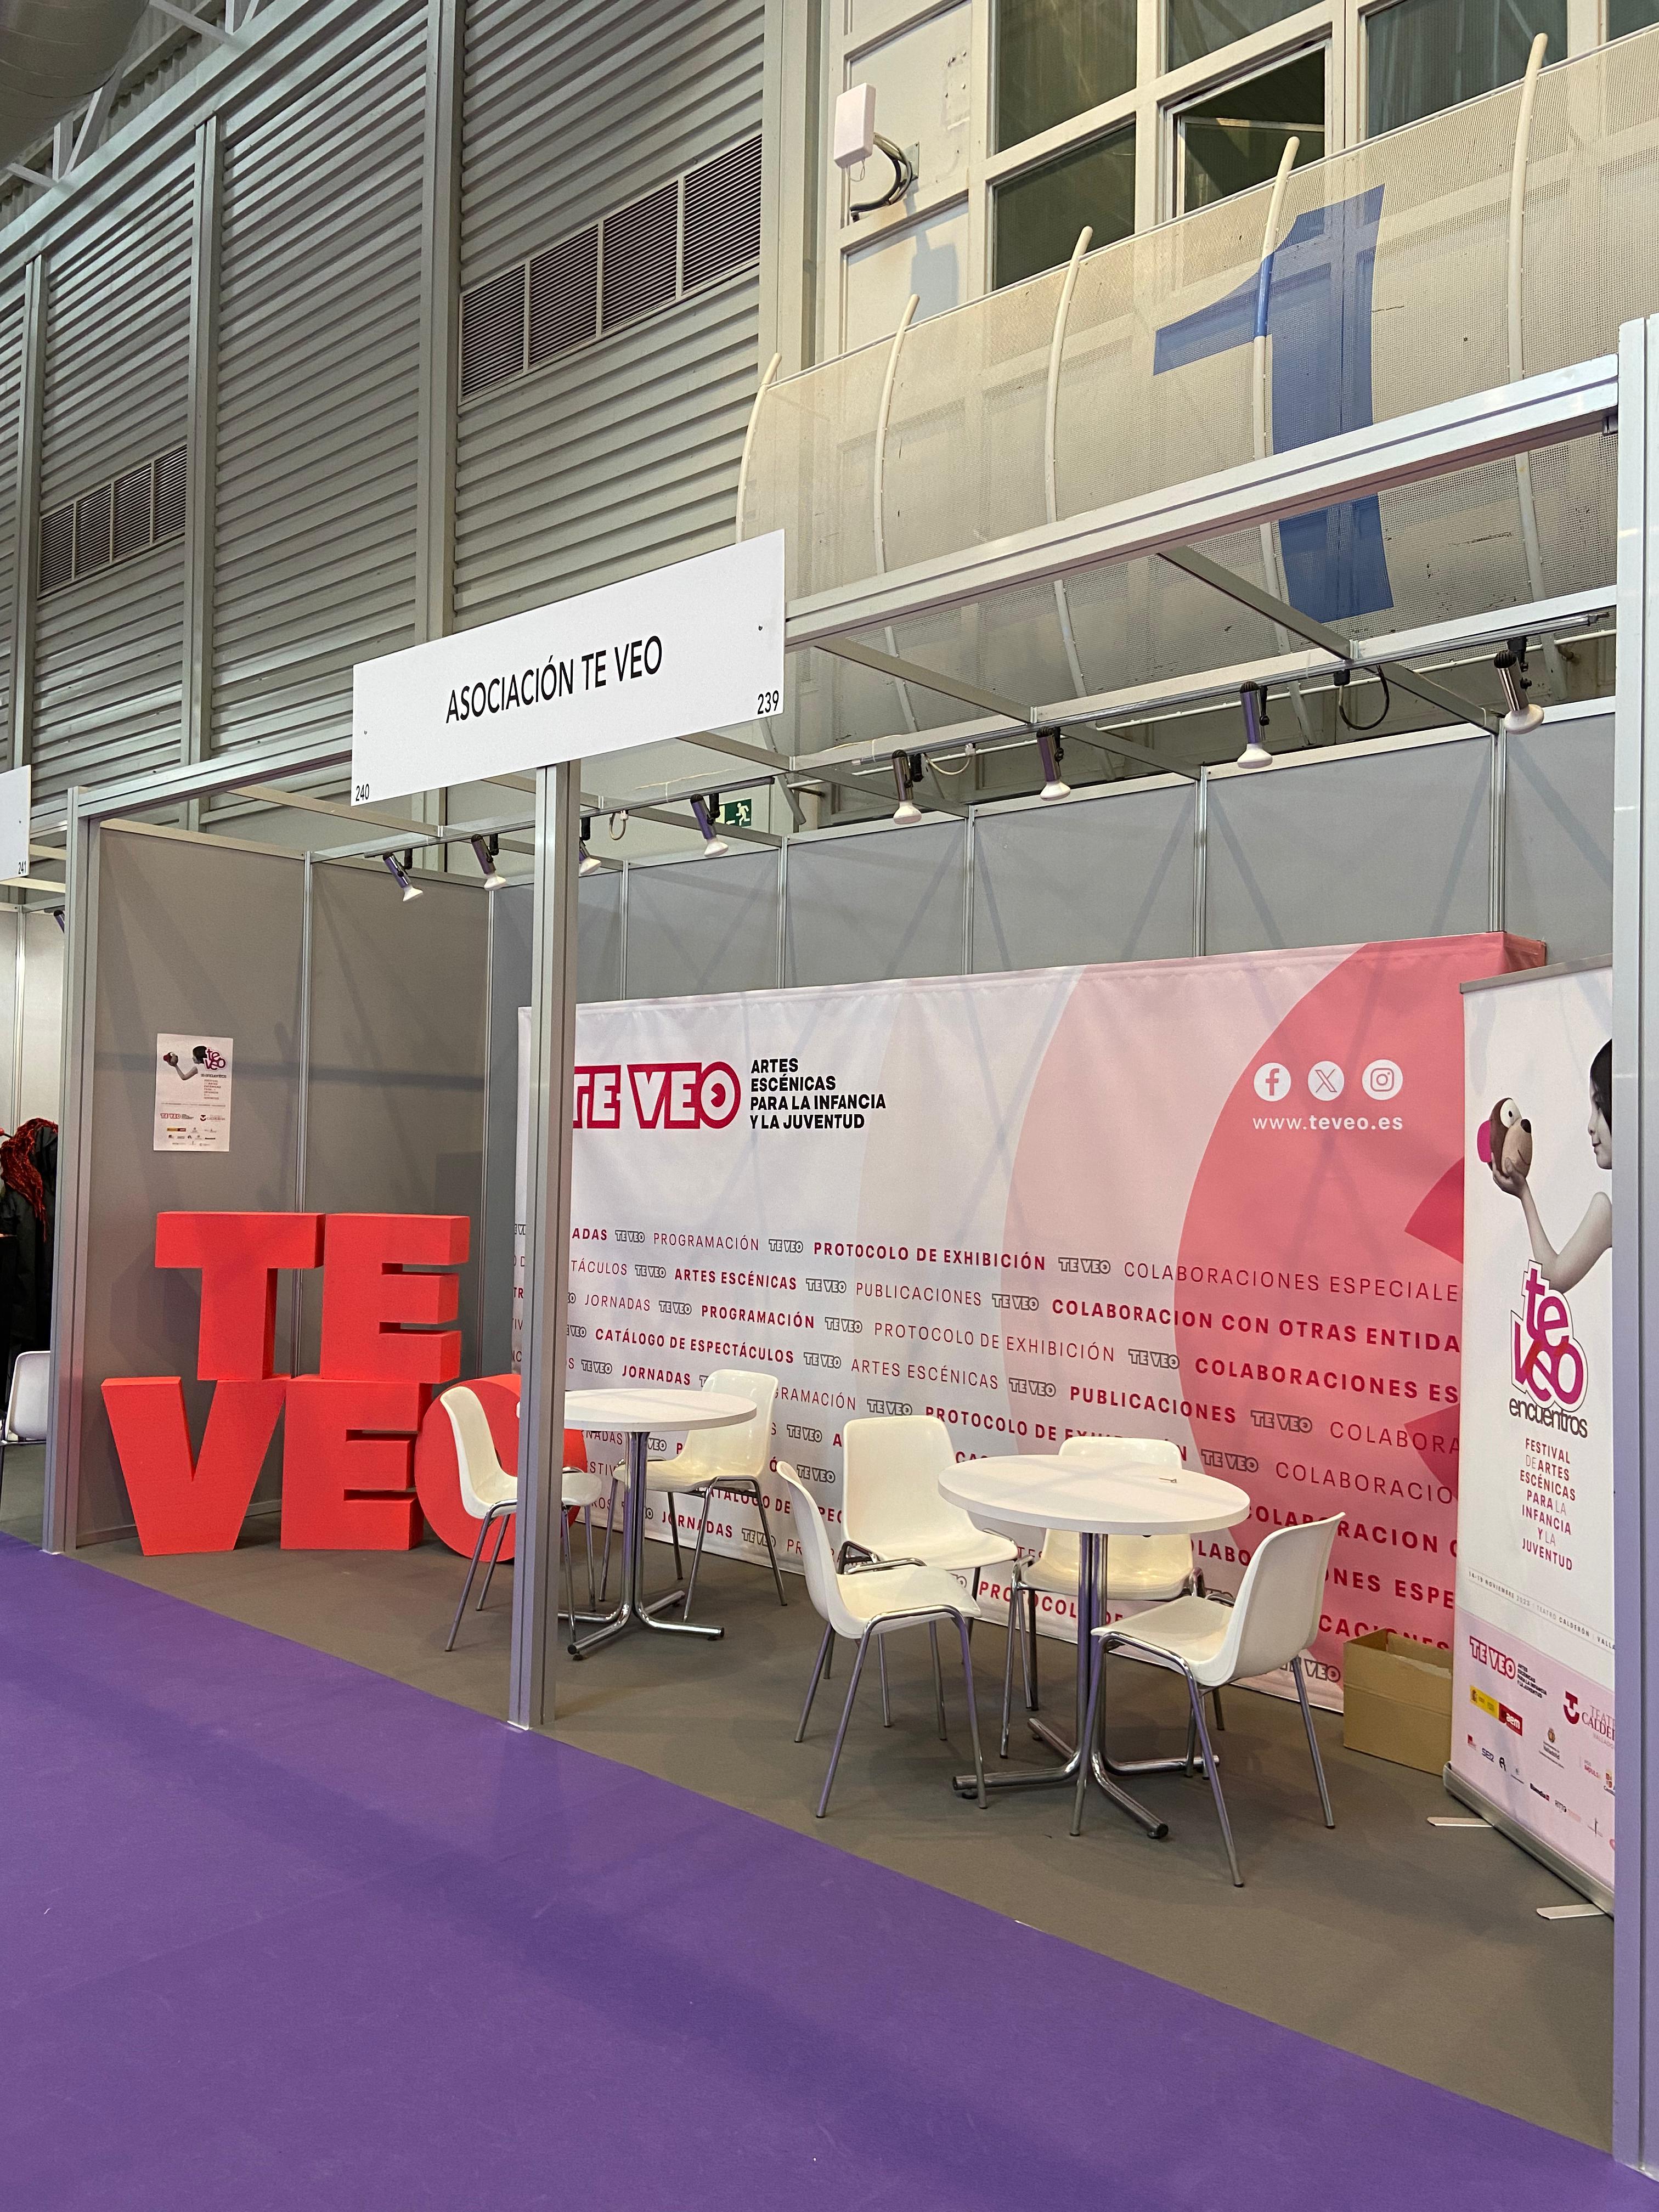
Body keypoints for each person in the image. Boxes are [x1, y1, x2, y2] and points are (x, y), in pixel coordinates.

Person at [1493, 1040, 1611, 1291]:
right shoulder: (1610, 1211)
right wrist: (1524, 1193)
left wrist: (1523, 1194)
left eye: (1600, 1106)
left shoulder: (1609, 1210)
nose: (1591, 1125)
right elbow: (1553, 1278)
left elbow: (1552, 1277)